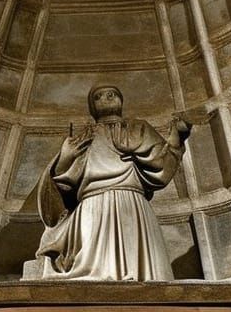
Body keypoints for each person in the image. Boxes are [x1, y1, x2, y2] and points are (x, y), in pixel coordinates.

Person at [34, 84, 191, 280]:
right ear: (92, 106)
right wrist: (65, 158)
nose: (106, 98)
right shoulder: (83, 137)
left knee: (144, 276)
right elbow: (63, 184)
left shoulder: (139, 128)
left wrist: (177, 136)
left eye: (112, 94)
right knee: (94, 276)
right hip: (92, 207)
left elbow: (162, 165)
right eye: (98, 96)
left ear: (121, 101)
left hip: (132, 206)